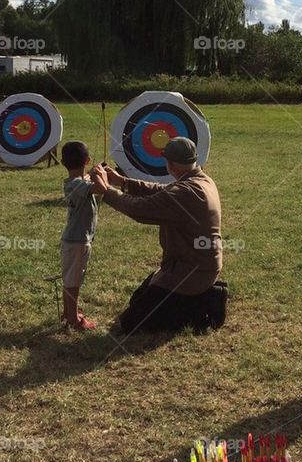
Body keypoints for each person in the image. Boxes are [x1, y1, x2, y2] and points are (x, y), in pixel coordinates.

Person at [89, 137, 228, 334]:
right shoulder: (200, 180)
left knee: (132, 324)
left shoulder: (186, 192)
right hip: (192, 265)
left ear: (171, 164)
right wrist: (122, 182)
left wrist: (106, 191)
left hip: (191, 273)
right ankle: (197, 299)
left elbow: (140, 209)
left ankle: (204, 303)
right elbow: (160, 191)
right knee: (138, 299)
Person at [59, 141, 99, 331]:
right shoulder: (78, 185)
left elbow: (86, 181)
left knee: (71, 279)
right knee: (73, 282)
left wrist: (92, 172)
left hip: (74, 240)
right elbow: (101, 188)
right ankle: (74, 320)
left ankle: (68, 313)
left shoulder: (74, 183)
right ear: (87, 160)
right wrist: (100, 175)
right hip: (77, 241)